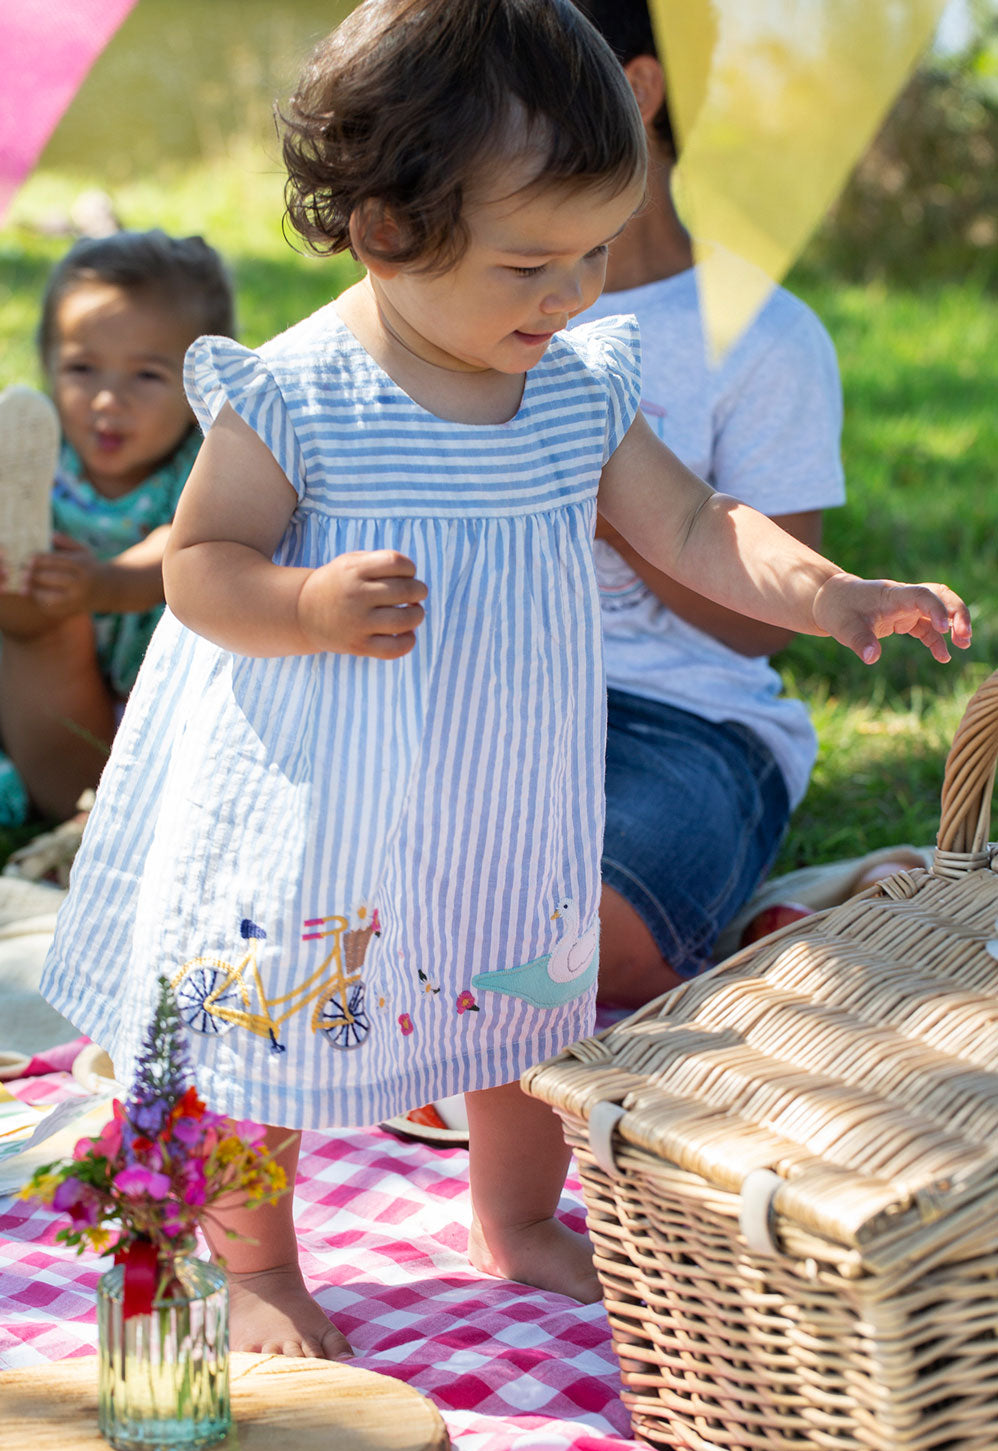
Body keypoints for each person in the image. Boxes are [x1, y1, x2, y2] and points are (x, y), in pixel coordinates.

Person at [40, 0, 969, 1362]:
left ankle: (518, 1222)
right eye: (532, 262)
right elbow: (200, 567)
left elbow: (701, 531)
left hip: (504, 778)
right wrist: (300, 599)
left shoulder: (577, 386)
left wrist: (828, 595)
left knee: (520, 1007)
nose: (571, 293)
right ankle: (259, 1262)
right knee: (266, 1040)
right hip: (317, 795)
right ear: (384, 234)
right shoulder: (297, 392)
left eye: (595, 251)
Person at [572, 0, 846, 1007]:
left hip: (684, 725)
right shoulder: (472, 312)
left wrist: (609, 502)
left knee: (571, 946)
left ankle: (692, 924)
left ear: (632, 91)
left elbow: (751, 629)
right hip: (488, 697)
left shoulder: (761, 338)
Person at [0, 230, 235, 825]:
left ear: (198, 386)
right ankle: (30, 783)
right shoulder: (38, 463)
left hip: (150, 717)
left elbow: (180, 548)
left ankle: (89, 814)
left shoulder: (208, 460)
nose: (108, 399)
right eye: (82, 368)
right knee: (29, 612)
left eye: (147, 377)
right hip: (44, 693)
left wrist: (104, 582)